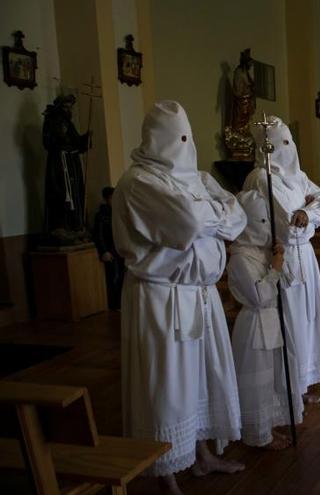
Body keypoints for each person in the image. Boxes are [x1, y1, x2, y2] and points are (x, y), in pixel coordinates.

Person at [113, 101, 247, 494]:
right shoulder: (138, 182)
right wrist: (212, 216)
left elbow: (236, 218)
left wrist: (206, 215)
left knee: (203, 377)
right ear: (155, 139)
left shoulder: (198, 179)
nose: (184, 146)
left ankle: (202, 455)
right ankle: (166, 472)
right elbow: (188, 224)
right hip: (161, 298)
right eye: (177, 139)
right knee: (166, 386)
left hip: (200, 295)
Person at [246, 116, 320, 403]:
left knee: (308, 319)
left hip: (306, 256)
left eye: (289, 142)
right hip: (284, 257)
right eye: (282, 143)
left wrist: (309, 213)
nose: (288, 148)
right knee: (291, 321)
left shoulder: (298, 176)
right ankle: (289, 388)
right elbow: (289, 229)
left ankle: (303, 382)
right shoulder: (261, 178)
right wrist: (305, 217)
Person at [228, 191, 303, 450]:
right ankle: (257, 434)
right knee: (257, 380)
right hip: (255, 324)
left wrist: (282, 257)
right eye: (261, 223)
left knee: (273, 377)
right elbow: (260, 296)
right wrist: (275, 267)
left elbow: (289, 281)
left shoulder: (261, 251)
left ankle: (269, 427)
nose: (266, 229)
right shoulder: (240, 258)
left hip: (273, 321)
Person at [42, 94, 90, 243]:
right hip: (60, 163)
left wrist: (85, 139)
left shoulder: (69, 123)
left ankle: (75, 226)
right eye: (66, 106)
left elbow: (75, 142)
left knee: (75, 192)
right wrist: (60, 135)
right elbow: (48, 141)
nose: (69, 109)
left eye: (71, 106)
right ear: (59, 107)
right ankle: (61, 227)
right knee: (62, 192)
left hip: (71, 162)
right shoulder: (52, 119)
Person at [93, 186, 124, 310]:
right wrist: (104, 251)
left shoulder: (118, 212)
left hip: (120, 249)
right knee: (113, 277)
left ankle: (121, 303)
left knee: (122, 276)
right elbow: (98, 235)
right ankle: (114, 304)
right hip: (110, 250)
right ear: (108, 199)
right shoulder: (101, 215)